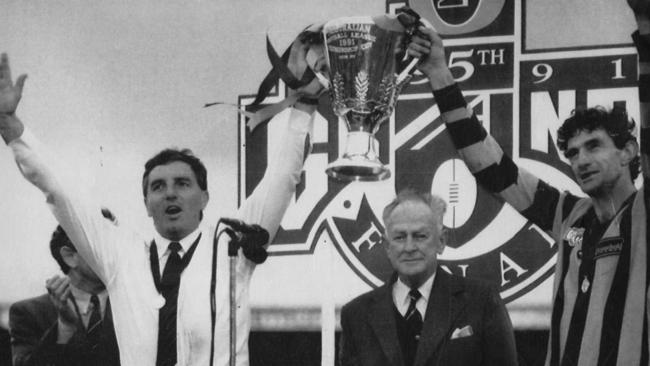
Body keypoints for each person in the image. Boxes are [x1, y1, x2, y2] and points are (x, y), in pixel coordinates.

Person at [0, 36, 320, 366]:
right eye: (158, 187)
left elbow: (282, 179)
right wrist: (12, 129)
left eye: (182, 184)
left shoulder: (232, 245)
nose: (169, 192)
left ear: (204, 197)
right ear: (146, 203)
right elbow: (62, 192)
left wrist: (305, 107)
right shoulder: (120, 255)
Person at [405, 1, 650, 364]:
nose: (580, 159)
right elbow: (491, 167)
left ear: (629, 151)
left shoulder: (644, 212)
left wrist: (645, 25)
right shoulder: (568, 215)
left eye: (593, 146)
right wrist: (439, 73)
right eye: (573, 152)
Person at [338, 189, 518, 366]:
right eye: (400, 237)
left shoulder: (482, 301)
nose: (409, 247)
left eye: (420, 236)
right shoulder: (356, 315)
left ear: (441, 241)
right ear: (387, 246)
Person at [10, 218, 120, 366]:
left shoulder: (135, 306)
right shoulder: (29, 313)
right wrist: (65, 327)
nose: (116, 253)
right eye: (103, 245)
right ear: (70, 256)